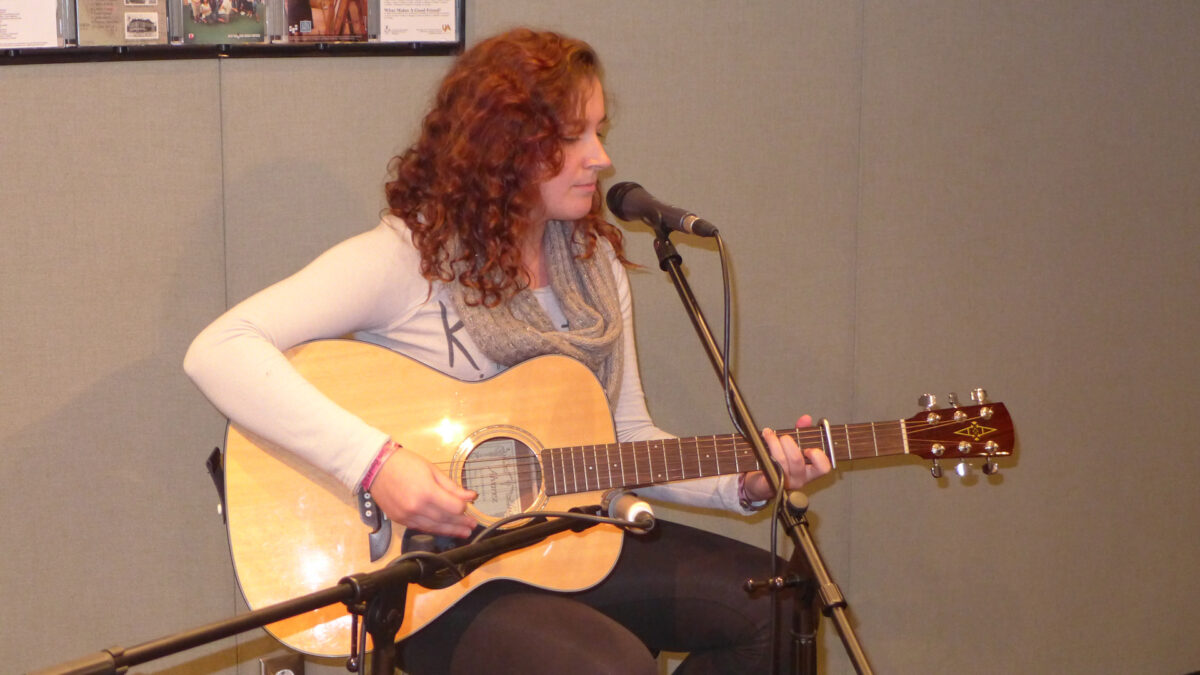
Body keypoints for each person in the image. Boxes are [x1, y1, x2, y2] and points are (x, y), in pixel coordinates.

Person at [185, 27, 831, 674]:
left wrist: (742, 482)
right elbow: (220, 349)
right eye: (573, 137)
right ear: (503, 146)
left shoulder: (594, 265)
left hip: (563, 540)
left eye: (598, 131)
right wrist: (376, 464)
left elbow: (623, 435)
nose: (600, 157)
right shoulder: (408, 258)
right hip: (433, 571)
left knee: (782, 608)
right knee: (614, 668)